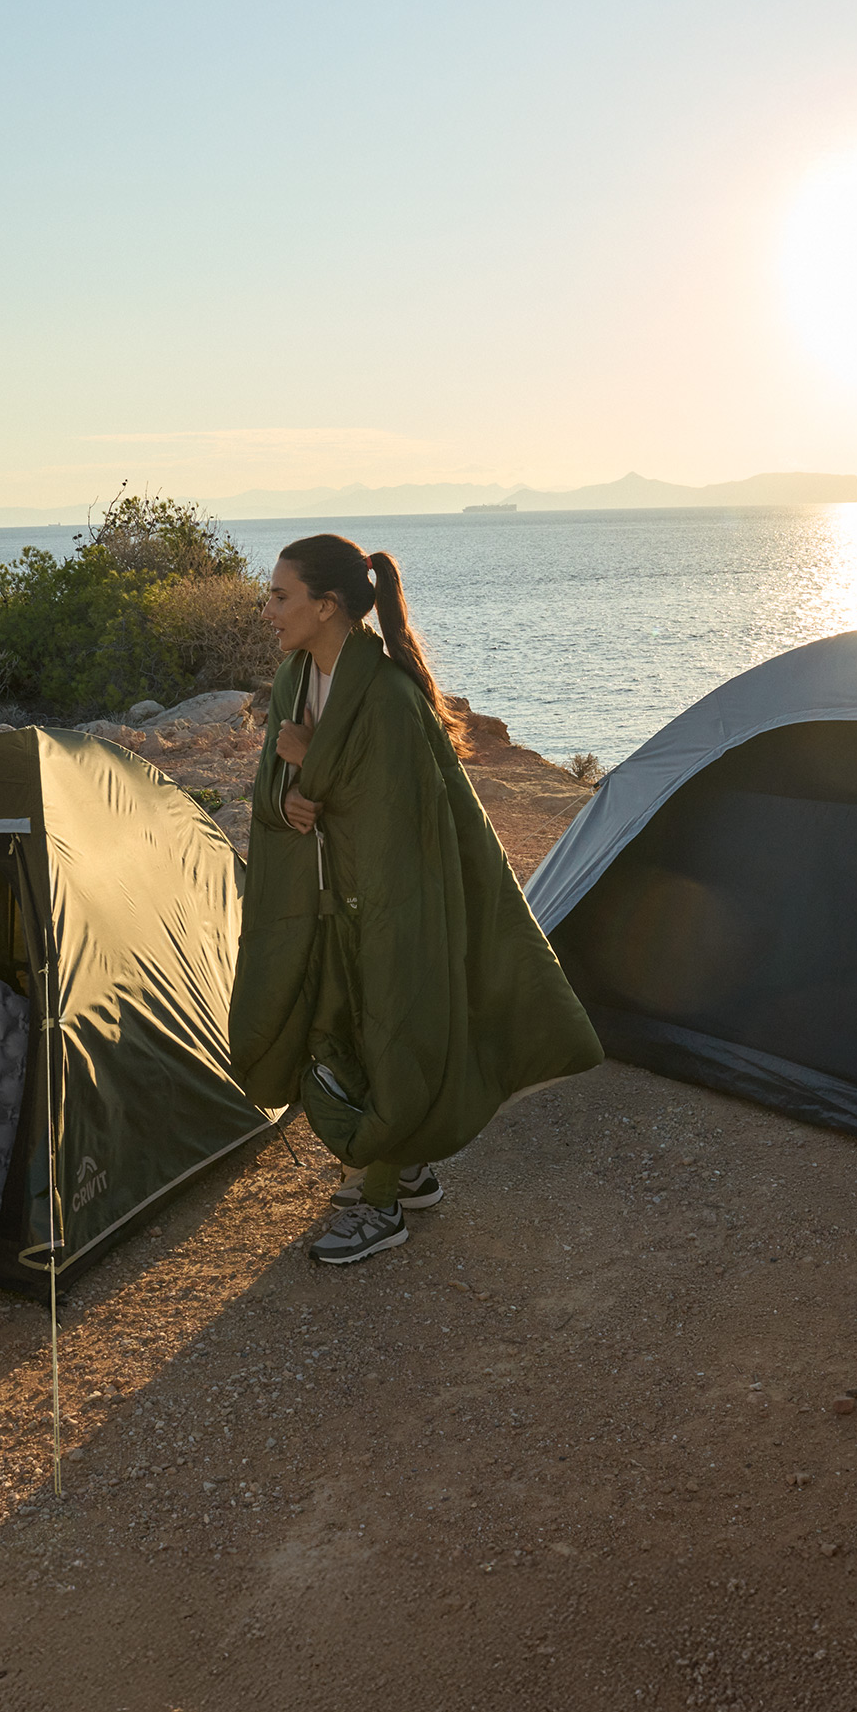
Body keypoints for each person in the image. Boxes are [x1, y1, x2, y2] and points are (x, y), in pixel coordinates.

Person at [230, 534, 602, 1265]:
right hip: (331, 898)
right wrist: (291, 800)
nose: (267, 609)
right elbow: (277, 784)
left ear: (327, 605)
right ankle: (402, 1168)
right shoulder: (294, 681)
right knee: (332, 1025)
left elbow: (395, 817)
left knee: (392, 1029)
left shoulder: (393, 698)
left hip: (396, 901)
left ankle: (382, 1208)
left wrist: (314, 762)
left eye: (280, 595)